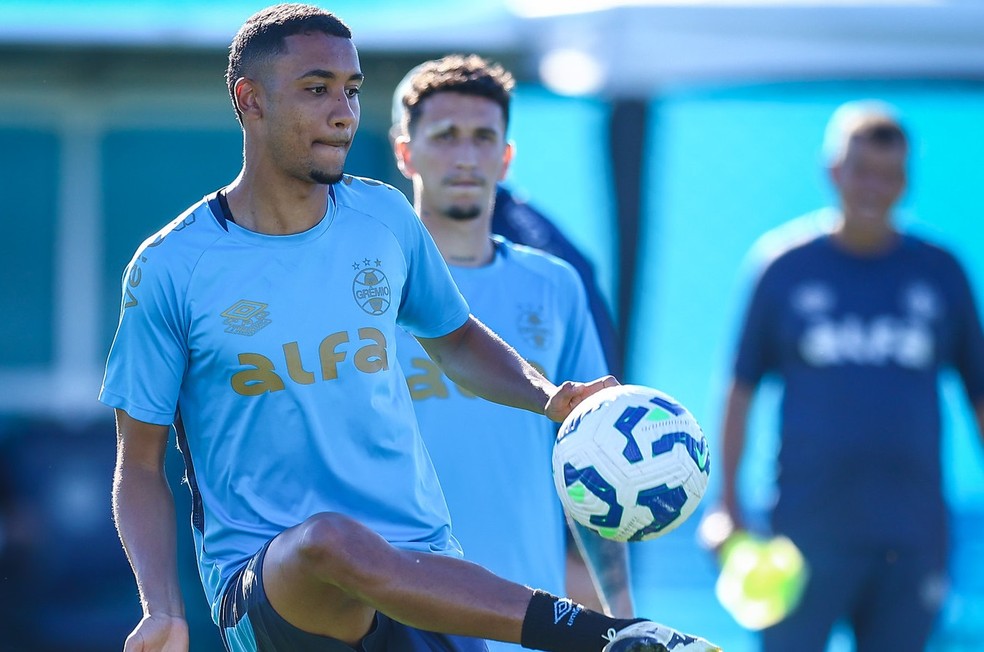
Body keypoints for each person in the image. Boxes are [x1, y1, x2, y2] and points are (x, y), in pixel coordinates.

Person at [98, 4, 721, 652]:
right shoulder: (171, 266)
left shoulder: (383, 217)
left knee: (359, 548)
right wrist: (161, 607)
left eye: (352, 90)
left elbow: (453, 338)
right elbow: (138, 466)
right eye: (317, 89)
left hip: (425, 574)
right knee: (326, 540)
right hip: (271, 586)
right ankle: (605, 639)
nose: (343, 111)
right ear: (249, 100)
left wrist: (547, 398)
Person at [702, 100, 984, 651]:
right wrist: (727, 501)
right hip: (804, 531)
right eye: (862, 171)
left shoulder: (939, 272)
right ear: (833, 172)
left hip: (912, 532)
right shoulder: (784, 266)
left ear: (906, 182)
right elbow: (740, 387)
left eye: (891, 175)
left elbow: (979, 393)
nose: (874, 187)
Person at [389, 54, 634, 644]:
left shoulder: (555, 285)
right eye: (445, 137)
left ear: (506, 156)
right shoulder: (367, 285)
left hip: (527, 615)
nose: (466, 156)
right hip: (399, 613)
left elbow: (597, 460)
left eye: (483, 138)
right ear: (405, 153)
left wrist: (622, 613)